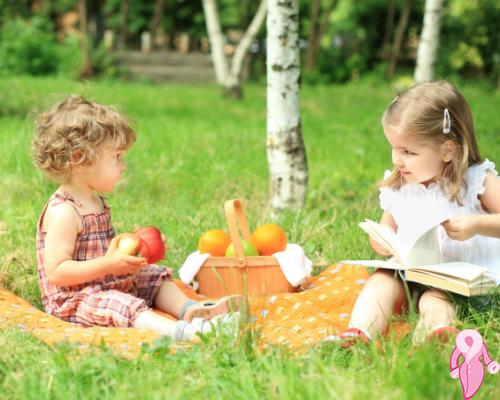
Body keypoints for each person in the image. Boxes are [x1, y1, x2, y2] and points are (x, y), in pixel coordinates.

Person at [32, 95, 242, 342]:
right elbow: (57, 272)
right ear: (80, 159)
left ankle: (191, 311)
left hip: (102, 281)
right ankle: (184, 333)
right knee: (119, 303)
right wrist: (109, 265)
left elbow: (101, 251)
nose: (124, 166)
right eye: (117, 157)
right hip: (74, 300)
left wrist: (139, 249)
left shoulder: (95, 200)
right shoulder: (64, 211)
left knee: (151, 277)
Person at [341, 81, 500, 346]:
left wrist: (476, 224)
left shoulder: (475, 180)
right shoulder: (402, 184)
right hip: (414, 274)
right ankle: (359, 332)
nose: (397, 159)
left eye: (408, 151)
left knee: (434, 299)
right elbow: (386, 228)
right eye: (394, 148)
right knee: (381, 280)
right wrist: (381, 240)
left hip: (461, 282)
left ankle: (434, 334)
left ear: (447, 150)